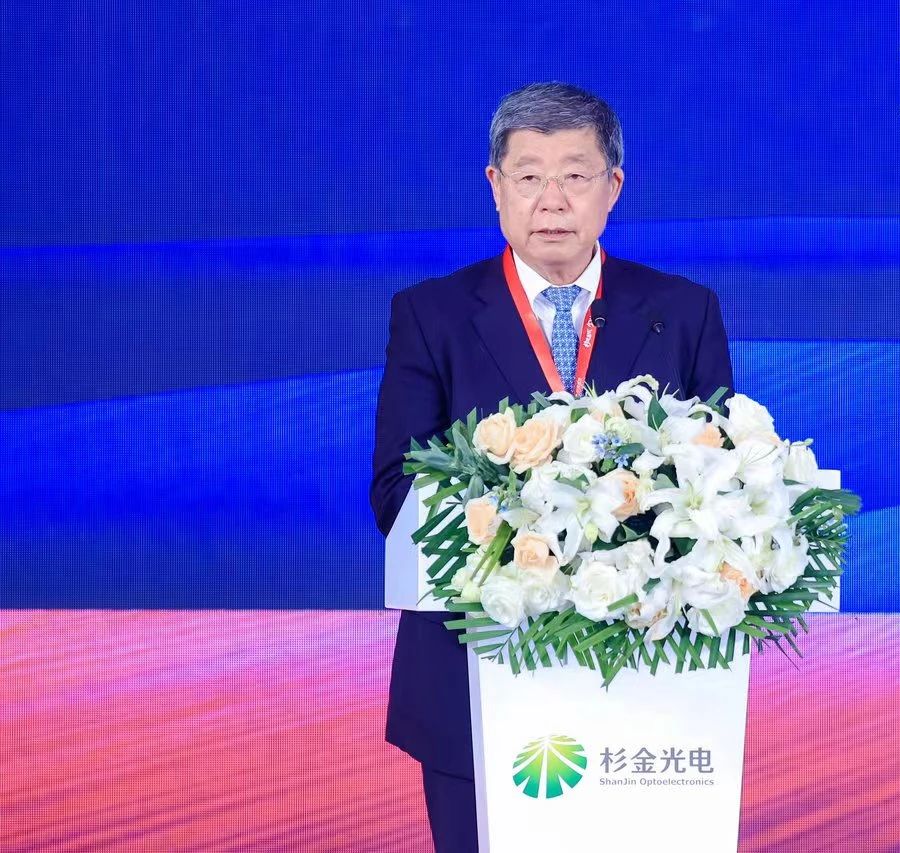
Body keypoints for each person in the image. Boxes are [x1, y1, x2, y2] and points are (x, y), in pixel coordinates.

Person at [370, 81, 734, 852]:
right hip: (472, 671)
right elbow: (396, 491)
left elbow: (720, 484)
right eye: (530, 175)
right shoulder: (432, 314)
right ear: (495, 186)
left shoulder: (683, 310)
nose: (552, 199)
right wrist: (536, 522)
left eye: (575, 174)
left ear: (613, 186)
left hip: (646, 676)